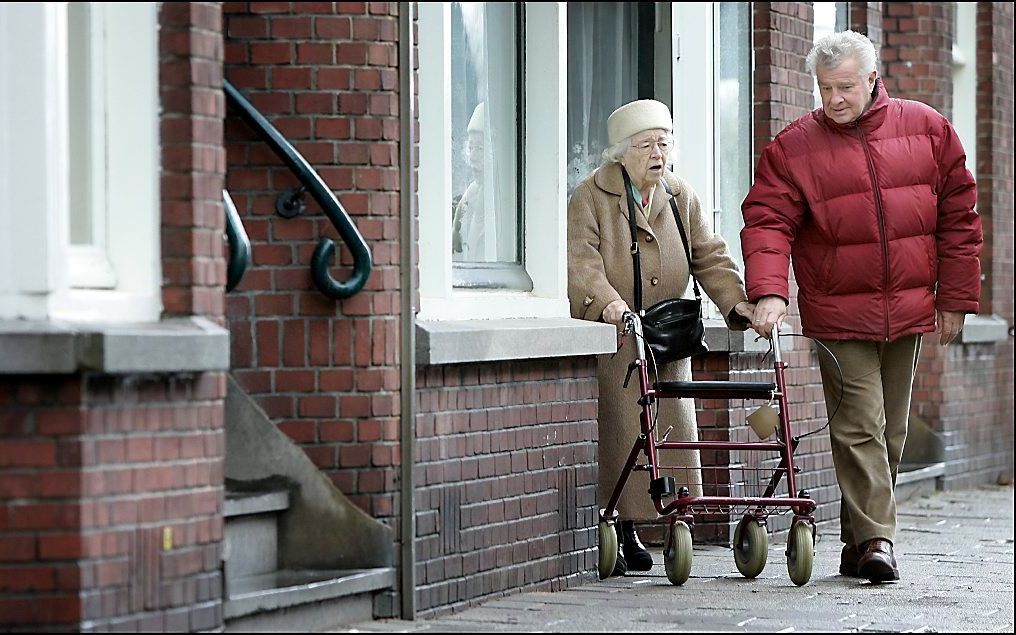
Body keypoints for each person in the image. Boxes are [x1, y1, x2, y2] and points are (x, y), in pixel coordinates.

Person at [740, 31, 982, 583]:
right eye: (825, 89)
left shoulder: (927, 129)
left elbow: (959, 221)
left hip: (910, 308)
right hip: (838, 312)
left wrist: (957, 300)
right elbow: (767, 221)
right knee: (858, 427)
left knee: (890, 433)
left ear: (874, 80)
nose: (835, 100)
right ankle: (879, 541)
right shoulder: (794, 148)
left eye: (845, 87)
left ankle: (857, 543)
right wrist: (771, 290)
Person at [568, 99, 754, 576]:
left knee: (672, 429)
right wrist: (608, 301)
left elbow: (708, 254)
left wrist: (736, 303)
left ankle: (677, 519)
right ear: (621, 153)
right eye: (647, 144)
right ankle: (624, 523)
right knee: (626, 431)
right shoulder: (591, 196)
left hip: (669, 337)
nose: (658, 153)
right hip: (622, 336)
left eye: (664, 142)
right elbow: (582, 261)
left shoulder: (678, 194)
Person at [453, 102, 487, 261]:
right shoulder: (470, 196)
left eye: (479, 149)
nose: (472, 156)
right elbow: (456, 245)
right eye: (471, 148)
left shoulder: (509, 201)